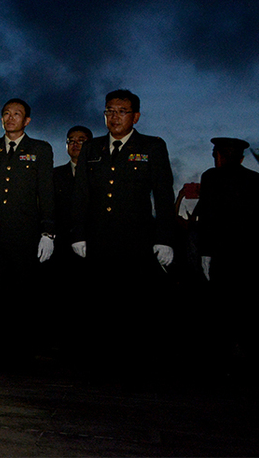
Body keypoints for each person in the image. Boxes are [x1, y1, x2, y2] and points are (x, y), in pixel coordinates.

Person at [71, 89, 176, 371]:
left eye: (121, 111)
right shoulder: (92, 148)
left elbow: (164, 194)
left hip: (135, 241)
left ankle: (132, 366)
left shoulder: (152, 146)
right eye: (109, 111)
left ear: (136, 116)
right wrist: (78, 233)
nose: (114, 117)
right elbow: (81, 193)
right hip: (97, 239)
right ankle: (98, 364)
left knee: (133, 305)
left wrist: (165, 238)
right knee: (98, 304)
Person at [0, 98, 55, 361]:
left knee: (23, 291)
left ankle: (22, 349)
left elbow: (46, 191)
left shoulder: (39, 148)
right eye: (6, 113)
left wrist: (48, 231)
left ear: (26, 120)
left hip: (25, 232)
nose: (10, 118)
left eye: (17, 114)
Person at [194, 137, 259, 378]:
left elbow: (208, 217)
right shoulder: (258, 182)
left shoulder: (211, 177)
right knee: (250, 311)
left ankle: (221, 363)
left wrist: (205, 252)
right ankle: (254, 363)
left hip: (223, 255)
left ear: (218, 155)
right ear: (241, 158)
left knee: (221, 311)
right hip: (252, 258)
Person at [47, 125, 91, 356]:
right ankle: (62, 345)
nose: (75, 144)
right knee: (62, 295)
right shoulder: (55, 174)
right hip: (61, 245)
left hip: (91, 244)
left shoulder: (100, 172)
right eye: (70, 140)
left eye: (81, 140)